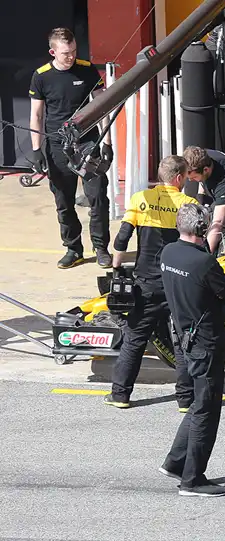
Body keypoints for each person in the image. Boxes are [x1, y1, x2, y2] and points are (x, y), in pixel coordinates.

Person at [103, 156, 199, 412]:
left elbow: (122, 239)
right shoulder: (188, 204)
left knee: (134, 340)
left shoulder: (140, 199)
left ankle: (120, 395)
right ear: (179, 178)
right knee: (181, 341)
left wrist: (116, 271)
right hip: (177, 283)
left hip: (146, 283)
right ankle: (185, 400)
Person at [158, 203, 225, 497]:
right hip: (205, 344)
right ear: (202, 229)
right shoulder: (203, 262)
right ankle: (193, 480)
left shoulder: (168, 253)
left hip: (183, 337)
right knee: (206, 410)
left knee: (198, 404)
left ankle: (175, 462)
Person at [29, 27, 113, 269]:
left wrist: (106, 143)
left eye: (74, 51)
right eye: (66, 53)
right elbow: (36, 114)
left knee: (97, 196)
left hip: (88, 142)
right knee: (63, 201)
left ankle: (101, 248)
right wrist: (37, 151)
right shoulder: (41, 76)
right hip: (57, 145)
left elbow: (102, 105)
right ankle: (73, 249)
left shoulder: (87, 69)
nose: (71, 56)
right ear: (52, 52)